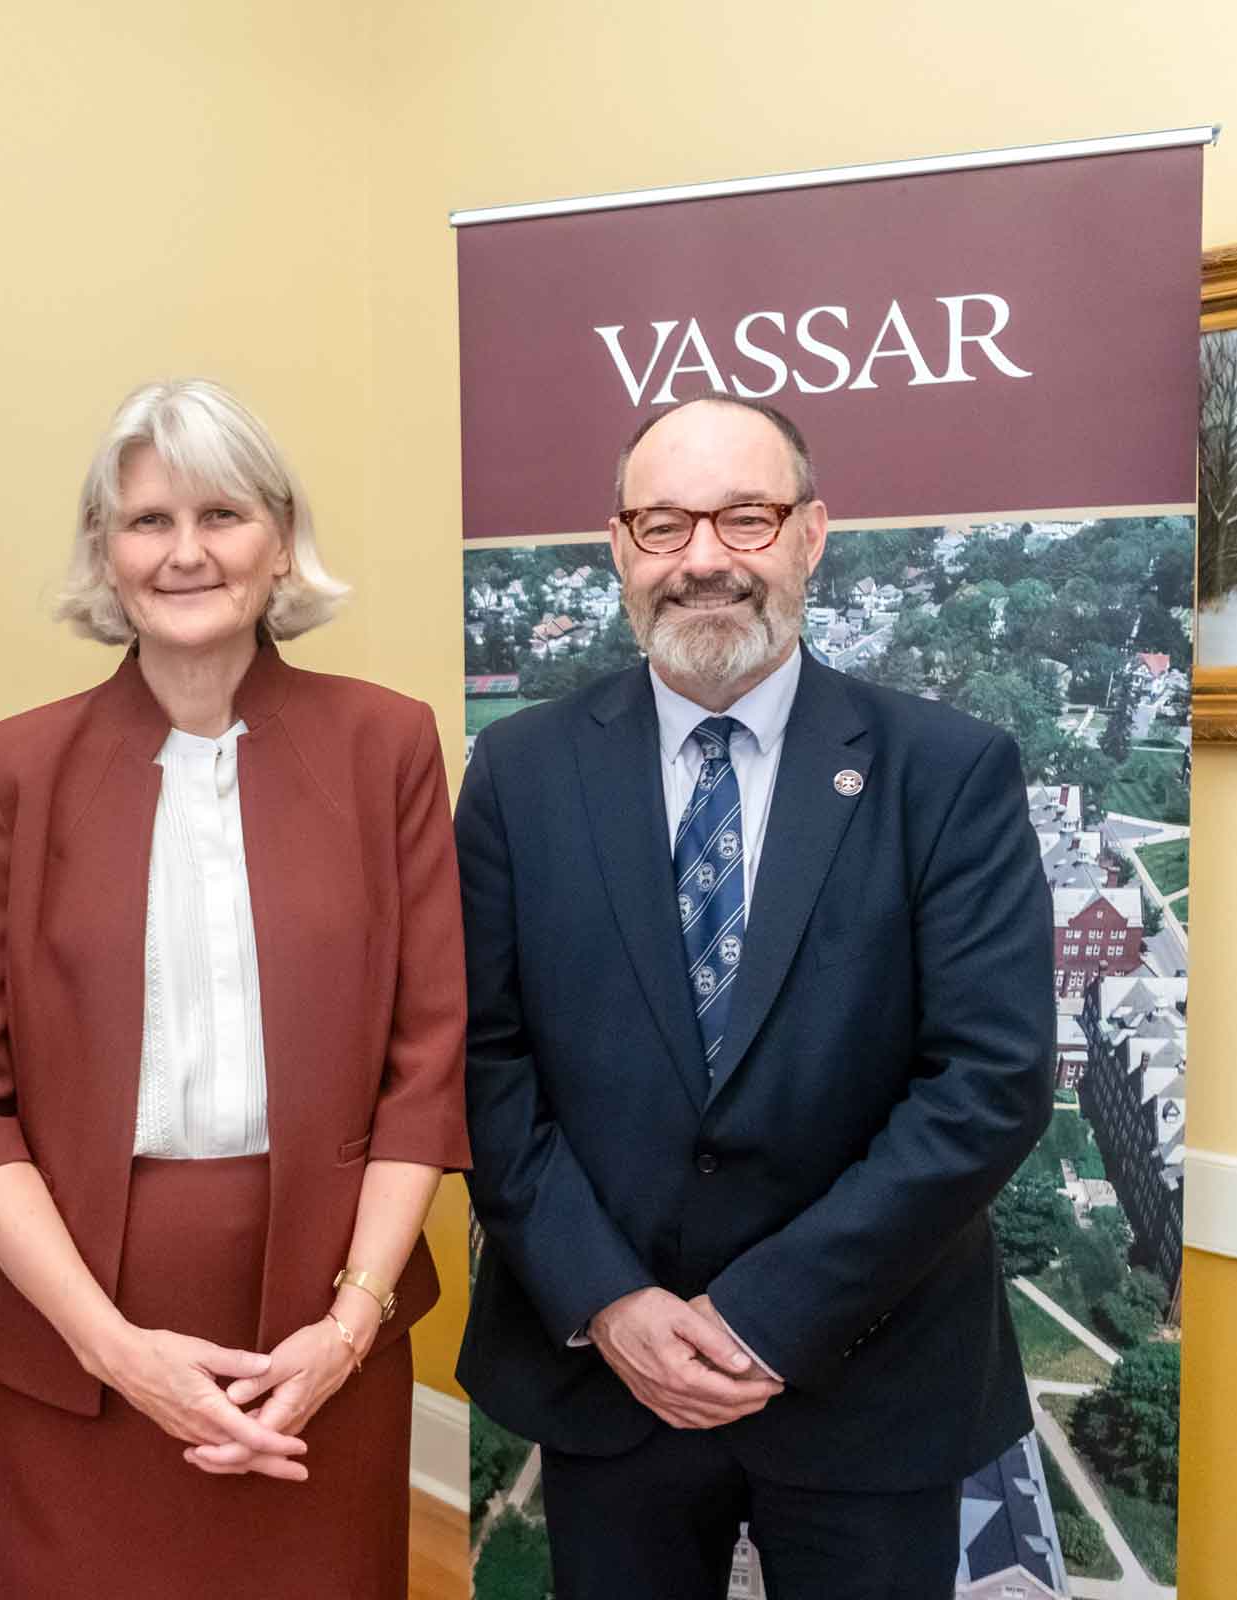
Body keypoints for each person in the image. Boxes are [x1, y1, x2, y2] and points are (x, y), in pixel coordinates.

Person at [457, 396, 1055, 1599]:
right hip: (609, 1382)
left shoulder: (946, 772)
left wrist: (765, 1314)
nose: (706, 561)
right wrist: (613, 1301)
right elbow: (481, 1056)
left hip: (868, 1378)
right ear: (622, 549)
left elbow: (989, 1082)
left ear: (812, 534)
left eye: (746, 518)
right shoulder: (519, 771)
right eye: (666, 525)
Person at [0, 378, 469, 1597]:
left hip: (325, 1326)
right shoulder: (13, 769)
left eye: (221, 515)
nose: (185, 552)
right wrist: (111, 1345)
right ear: (104, 555)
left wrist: (349, 1326)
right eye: (147, 520)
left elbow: (428, 1065)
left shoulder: (389, 747)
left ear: (279, 544)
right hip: (75, 1341)